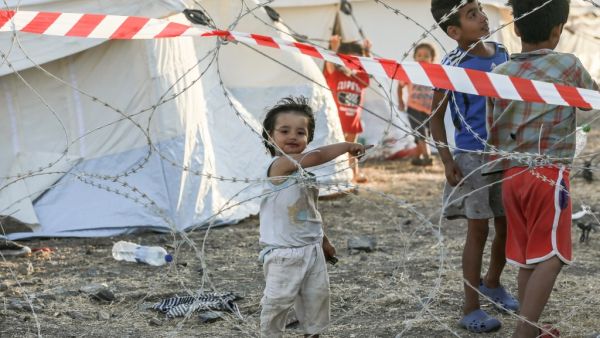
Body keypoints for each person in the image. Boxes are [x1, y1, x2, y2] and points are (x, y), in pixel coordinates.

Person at [484, 1, 599, 336]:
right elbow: (590, 99)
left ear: (515, 28)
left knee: (528, 257)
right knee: (553, 256)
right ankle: (523, 332)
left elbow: (494, 125)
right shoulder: (568, 65)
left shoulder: (499, 74)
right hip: (547, 175)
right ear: (557, 30)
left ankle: (530, 326)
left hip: (510, 177)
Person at [429, 0, 518, 333]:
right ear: (454, 32)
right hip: (472, 158)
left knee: (507, 225)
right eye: (471, 15)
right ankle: (470, 307)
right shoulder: (453, 65)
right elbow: (434, 119)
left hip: (505, 154)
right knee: (478, 231)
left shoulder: (503, 55)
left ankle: (493, 282)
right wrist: (447, 160)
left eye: (480, 9)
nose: (482, 17)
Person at [259, 96, 371, 337]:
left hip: (311, 249)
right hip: (283, 253)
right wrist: (347, 146)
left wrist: (323, 240)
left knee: (317, 301)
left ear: (307, 138)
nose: (293, 136)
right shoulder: (278, 167)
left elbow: (309, 211)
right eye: (284, 130)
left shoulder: (305, 175)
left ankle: (314, 333)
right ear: (270, 136)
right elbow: (318, 157)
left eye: (300, 132)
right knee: (277, 303)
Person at [324, 35, 371, 183]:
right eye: (348, 60)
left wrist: (368, 52)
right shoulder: (335, 75)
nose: (352, 64)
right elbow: (329, 65)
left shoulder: (360, 78)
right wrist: (334, 49)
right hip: (336, 120)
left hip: (353, 120)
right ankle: (335, 174)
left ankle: (354, 173)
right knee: (335, 149)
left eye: (356, 61)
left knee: (353, 149)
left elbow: (368, 67)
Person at [397, 43, 436, 166]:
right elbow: (400, 86)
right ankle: (427, 156)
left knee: (425, 135)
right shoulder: (410, 72)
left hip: (429, 110)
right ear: (414, 58)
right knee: (421, 132)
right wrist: (401, 101)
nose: (422, 58)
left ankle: (416, 158)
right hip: (413, 107)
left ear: (432, 58)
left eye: (426, 56)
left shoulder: (435, 73)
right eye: (419, 55)